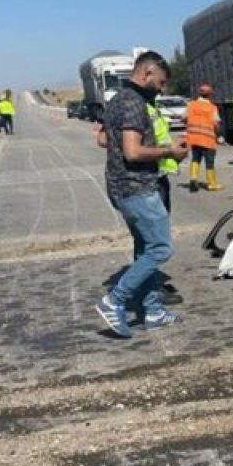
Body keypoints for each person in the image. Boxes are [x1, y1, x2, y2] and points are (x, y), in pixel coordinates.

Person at [94, 51, 189, 338]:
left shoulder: (117, 100)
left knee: (144, 247)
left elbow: (103, 138)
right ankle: (115, 300)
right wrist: (169, 151)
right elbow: (133, 152)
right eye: (160, 82)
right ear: (146, 73)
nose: (162, 89)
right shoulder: (134, 103)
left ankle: (153, 311)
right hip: (138, 187)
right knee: (160, 248)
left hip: (121, 186)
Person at [184, 83, 223, 192]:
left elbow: (183, 118)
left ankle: (193, 179)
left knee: (195, 159)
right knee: (209, 162)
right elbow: (216, 124)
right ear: (210, 95)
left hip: (194, 139)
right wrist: (219, 135)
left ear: (199, 93)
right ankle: (211, 184)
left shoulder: (191, 104)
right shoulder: (212, 107)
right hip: (207, 140)